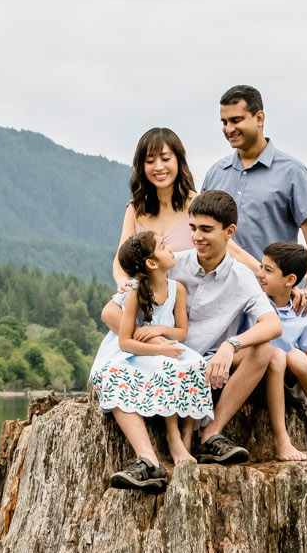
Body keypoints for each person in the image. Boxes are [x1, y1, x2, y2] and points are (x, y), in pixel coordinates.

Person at [91, 230, 212, 492]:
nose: (171, 250)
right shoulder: (134, 292)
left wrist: (159, 332)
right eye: (162, 246)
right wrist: (157, 350)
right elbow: (125, 342)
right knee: (115, 375)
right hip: (135, 352)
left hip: (165, 345)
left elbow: (181, 332)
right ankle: (148, 459)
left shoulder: (176, 288)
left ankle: (177, 437)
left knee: (193, 366)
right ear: (151, 263)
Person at [172, 189, 283, 465]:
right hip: (173, 361)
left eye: (206, 229)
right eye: (193, 228)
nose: (197, 237)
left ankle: (211, 434)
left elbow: (273, 324)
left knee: (263, 350)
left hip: (213, 366)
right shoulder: (173, 265)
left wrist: (230, 344)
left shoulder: (242, 277)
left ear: (229, 231)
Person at [200, 85, 307, 316]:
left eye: (236, 120)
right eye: (224, 122)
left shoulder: (292, 172)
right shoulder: (215, 173)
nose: (228, 129)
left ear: (259, 118)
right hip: (219, 296)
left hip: (271, 298)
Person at [257, 241, 307, 458]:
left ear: (290, 280)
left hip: (289, 384)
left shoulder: (305, 309)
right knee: (275, 355)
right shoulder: (256, 303)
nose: (260, 274)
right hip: (258, 380)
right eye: (261, 267)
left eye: (268, 270)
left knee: (295, 356)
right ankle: (281, 440)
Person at [114, 126, 196, 287]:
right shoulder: (135, 210)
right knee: (110, 312)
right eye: (150, 161)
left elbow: (229, 249)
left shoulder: (197, 205)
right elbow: (120, 259)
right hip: (152, 304)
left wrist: (259, 270)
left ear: (178, 160)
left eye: (165, 159)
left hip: (193, 302)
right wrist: (122, 281)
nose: (158, 167)